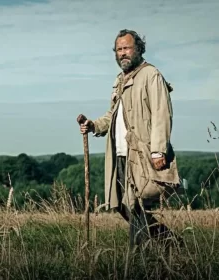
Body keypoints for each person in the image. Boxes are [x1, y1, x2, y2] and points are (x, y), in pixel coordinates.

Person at [78, 29, 182, 248]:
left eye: (126, 48)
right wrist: (93, 125)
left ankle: (139, 257)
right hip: (120, 154)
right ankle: (169, 242)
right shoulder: (120, 80)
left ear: (138, 49)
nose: (122, 53)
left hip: (142, 154)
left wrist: (158, 151)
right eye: (119, 49)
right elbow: (113, 115)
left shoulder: (151, 75)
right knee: (121, 205)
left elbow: (161, 113)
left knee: (136, 205)